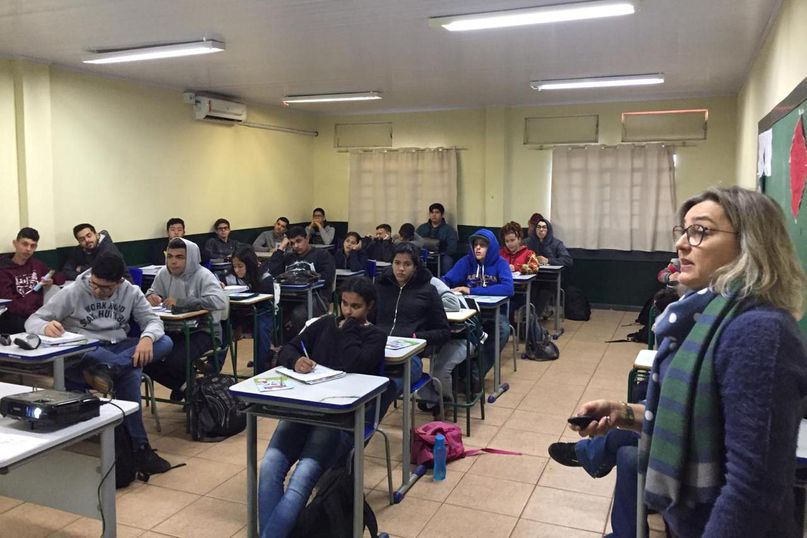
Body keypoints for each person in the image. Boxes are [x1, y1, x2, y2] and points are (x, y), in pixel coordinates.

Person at [572, 186, 807, 538]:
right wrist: (624, 413)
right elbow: (692, 419)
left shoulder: (760, 331)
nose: (682, 243)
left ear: (750, 243)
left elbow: (753, 491)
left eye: (700, 231)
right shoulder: (704, 316)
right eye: (683, 231)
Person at [258, 277, 386, 538]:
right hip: (304, 410)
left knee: (302, 476)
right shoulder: (325, 323)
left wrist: (350, 329)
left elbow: (354, 364)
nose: (348, 311)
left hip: (338, 419)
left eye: (356, 307)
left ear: (369, 307)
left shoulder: (375, 337)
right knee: (269, 466)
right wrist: (296, 360)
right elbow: (289, 348)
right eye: (344, 304)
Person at [25, 252, 174, 474]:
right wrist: (45, 327)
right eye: (94, 284)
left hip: (119, 347)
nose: (97, 291)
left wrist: (146, 338)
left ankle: (112, 368)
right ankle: (140, 448)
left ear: (119, 282)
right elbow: (33, 320)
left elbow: (153, 321)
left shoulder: (131, 291)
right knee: (130, 374)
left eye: (105, 288)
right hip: (89, 349)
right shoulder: (74, 291)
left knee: (165, 341)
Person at [144, 238, 227, 400]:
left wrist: (182, 302)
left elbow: (219, 301)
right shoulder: (164, 273)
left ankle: (188, 389)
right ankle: (187, 387)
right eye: (170, 256)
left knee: (176, 360)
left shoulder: (204, 275)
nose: (173, 261)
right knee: (145, 358)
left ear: (191, 259)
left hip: (203, 330)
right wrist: (151, 296)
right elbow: (152, 291)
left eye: (180, 257)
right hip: (171, 328)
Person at [374, 243, 450, 418]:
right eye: (397, 263)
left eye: (407, 264)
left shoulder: (427, 291)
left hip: (410, 357)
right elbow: (369, 320)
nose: (401, 269)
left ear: (415, 267)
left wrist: (416, 337)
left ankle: (365, 425)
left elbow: (443, 331)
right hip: (377, 351)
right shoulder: (380, 286)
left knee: (386, 388)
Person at [442, 229, 513, 377]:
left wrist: (471, 290)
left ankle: (476, 374)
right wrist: (444, 289)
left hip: (494, 313)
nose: (478, 248)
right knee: (451, 328)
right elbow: (446, 280)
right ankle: (456, 372)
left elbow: (508, 288)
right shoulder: (466, 261)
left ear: (491, 247)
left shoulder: (500, 263)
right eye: (475, 245)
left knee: (503, 330)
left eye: (483, 245)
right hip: (469, 312)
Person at [267, 226, 335, 340]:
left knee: (298, 314)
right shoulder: (288, 257)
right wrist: (281, 248)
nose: (295, 246)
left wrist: (306, 279)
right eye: (292, 243)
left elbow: (327, 278)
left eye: (298, 241)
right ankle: (281, 345)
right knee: (270, 312)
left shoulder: (322, 255)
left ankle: (301, 344)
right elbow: (273, 272)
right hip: (289, 298)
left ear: (307, 238)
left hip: (316, 298)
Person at [0, 227, 64, 333]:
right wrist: (35, 314)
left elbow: (60, 277)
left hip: (37, 315)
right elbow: (9, 303)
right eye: (25, 244)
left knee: (61, 324)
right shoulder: (3, 270)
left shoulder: (37, 265)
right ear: (15, 243)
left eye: (32, 246)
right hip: (14, 317)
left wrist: (52, 280)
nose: (28, 249)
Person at [223, 246, 275, 372]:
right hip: (237, 314)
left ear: (250, 265)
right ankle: (213, 366)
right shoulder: (229, 277)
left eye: (240, 266)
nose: (237, 270)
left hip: (261, 313)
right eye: (234, 266)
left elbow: (266, 303)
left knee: (261, 328)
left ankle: (260, 368)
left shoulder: (264, 277)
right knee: (222, 325)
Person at [524, 216, 572, 317]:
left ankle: (534, 317)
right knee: (531, 290)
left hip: (550, 278)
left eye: (544, 227)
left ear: (548, 229)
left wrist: (548, 260)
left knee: (543, 292)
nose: (541, 230)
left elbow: (568, 260)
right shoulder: (528, 242)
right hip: (533, 277)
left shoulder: (557, 243)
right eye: (538, 227)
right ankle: (529, 316)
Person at [62, 223, 129, 281]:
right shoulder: (78, 250)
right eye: (82, 239)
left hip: (119, 284)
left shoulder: (109, 250)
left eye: (89, 236)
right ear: (79, 242)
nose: (87, 240)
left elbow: (104, 273)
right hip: (95, 285)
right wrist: (86, 277)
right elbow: (66, 271)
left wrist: (82, 268)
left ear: (96, 235)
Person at [416, 203, 458, 272]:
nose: (434, 215)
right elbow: (414, 242)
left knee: (447, 261)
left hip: (442, 256)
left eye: (437, 212)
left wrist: (440, 254)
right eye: (432, 212)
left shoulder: (449, 230)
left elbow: (452, 248)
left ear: (442, 214)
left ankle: (445, 278)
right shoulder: (422, 228)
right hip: (424, 254)